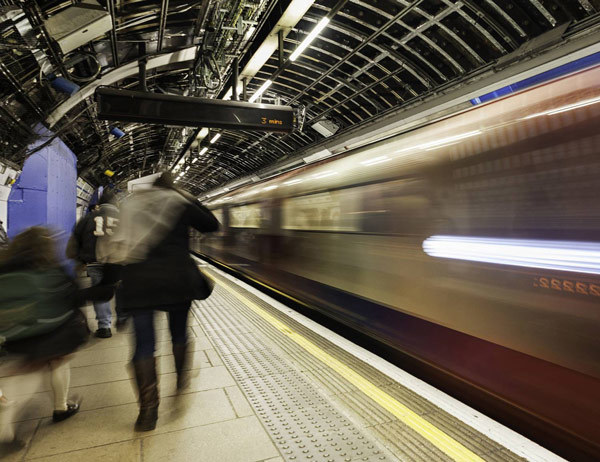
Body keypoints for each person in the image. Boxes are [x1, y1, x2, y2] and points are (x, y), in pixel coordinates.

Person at [113, 172, 218, 431]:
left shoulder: (130, 204)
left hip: (138, 281)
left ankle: (148, 413)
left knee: (144, 344)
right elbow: (211, 225)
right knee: (179, 333)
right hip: (177, 280)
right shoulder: (179, 202)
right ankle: (181, 381)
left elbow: (119, 243)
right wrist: (188, 198)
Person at [0, 227, 94, 453]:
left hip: (14, 336)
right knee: (57, 363)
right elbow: (73, 298)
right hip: (50, 335)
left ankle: (5, 428)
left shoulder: (4, 269)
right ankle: (60, 406)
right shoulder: (53, 270)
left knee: (20, 377)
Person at [67, 191, 119, 337]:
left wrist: (79, 259)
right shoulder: (123, 218)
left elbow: (76, 238)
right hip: (117, 261)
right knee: (121, 287)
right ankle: (123, 317)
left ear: (98, 205)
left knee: (100, 292)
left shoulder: (88, 218)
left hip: (94, 261)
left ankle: (104, 326)